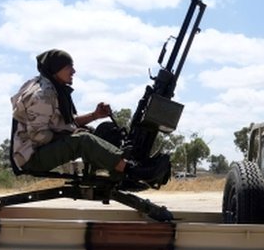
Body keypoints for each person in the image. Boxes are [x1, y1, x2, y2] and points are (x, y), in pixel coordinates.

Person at [10, 49, 168, 184]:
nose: (73, 71)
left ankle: (120, 172)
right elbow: (38, 136)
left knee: (102, 131)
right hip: (32, 158)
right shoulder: (43, 95)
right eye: (68, 67)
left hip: (39, 151)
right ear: (56, 69)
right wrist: (71, 135)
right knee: (84, 140)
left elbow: (64, 123)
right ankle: (134, 171)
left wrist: (95, 115)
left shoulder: (53, 88)